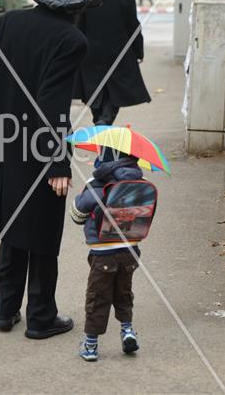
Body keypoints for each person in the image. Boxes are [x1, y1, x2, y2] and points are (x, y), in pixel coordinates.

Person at [0, 0, 110, 340]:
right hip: (38, 147)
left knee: (15, 227)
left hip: (3, 141)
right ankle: (41, 317)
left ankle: (5, 309)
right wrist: (58, 164)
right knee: (43, 233)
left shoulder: (9, 23)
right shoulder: (71, 40)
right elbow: (52, 104)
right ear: (81, 0)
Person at [69, 147, 157, 361]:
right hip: (130, 252)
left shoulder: (96, 186)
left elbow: (77, 215)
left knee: (98, 298)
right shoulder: (141, 182)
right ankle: (127, 331)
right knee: (123, 293)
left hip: (103, 254)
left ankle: (90, 346)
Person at [73, 0, 150, 126]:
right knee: (114, 93)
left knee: (95, 94)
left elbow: (78, 28)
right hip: (118, 56)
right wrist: (139, 52)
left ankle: (101, 122)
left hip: (90, 56)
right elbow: (134, 28)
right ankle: (105, 121)